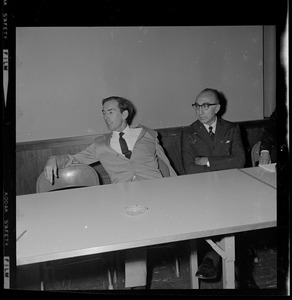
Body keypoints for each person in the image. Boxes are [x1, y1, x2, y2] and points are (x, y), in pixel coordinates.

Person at [43, 96, 177, 289]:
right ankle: (137, 286)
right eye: (103, 112)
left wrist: (175, 188)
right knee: (135, 234)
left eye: (110, 111)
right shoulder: (100, 145)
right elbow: (73, 159)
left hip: (156, 193)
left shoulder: (148, 134)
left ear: (124, 114)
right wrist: (54, 158)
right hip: (125, 200)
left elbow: (166, 164)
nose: (105, 116)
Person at [182, 88, 258, 289]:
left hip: (231, 187)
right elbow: (189, 168)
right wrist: (225, 161)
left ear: (217, 108)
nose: (199, 111)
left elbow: (240, 161)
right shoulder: (189, 132)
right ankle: (215, 259)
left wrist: (207, 161)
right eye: (196, 106)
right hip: (202, 191)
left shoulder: (232, 128)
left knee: (239, 221)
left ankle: (235, 271)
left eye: (205, 106)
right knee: (212, 219)